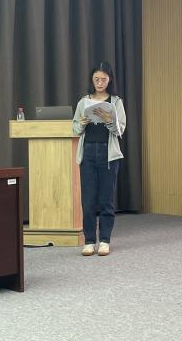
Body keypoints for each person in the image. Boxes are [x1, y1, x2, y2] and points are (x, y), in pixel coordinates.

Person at [72, 62, 126, 256]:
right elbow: (75, 129)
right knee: (87, 200)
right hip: (87, 153)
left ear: (110, 80)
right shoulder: (83, 101)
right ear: (92, 80)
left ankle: (104, 240)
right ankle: (89, 241)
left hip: (108, 154)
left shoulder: (116, 102)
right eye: (96, 79)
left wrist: (109, 120)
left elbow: (120, 130)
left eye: (103, 79)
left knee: (106, 199)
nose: (100, 83)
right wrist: (82, 123)